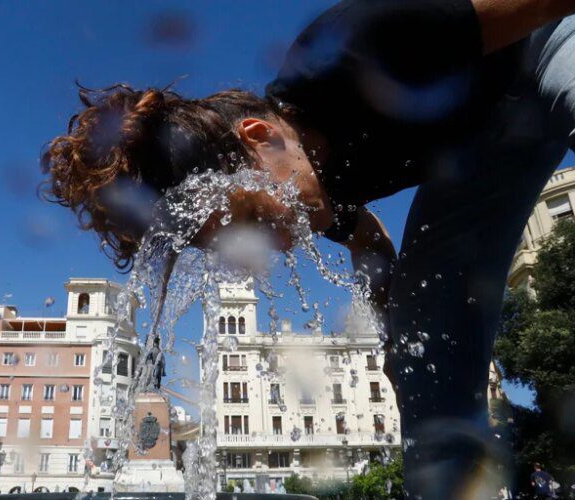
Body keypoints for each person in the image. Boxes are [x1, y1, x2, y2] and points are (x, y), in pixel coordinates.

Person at [42, 0, 575, 497]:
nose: (266, 247)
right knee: (426, 358)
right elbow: (370, 239)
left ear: (257, 135)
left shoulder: (353, 52)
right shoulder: (316, 189)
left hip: (540, 43)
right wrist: (395, 333)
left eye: (249, 219)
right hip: (479, 151)